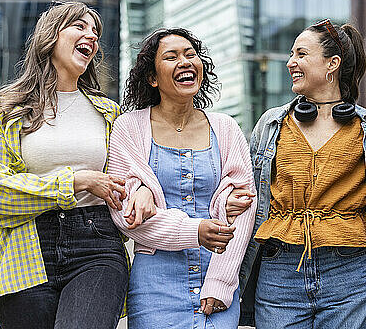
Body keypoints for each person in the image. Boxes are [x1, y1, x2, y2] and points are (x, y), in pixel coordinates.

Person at [0, 1, 130, 329]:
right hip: (23, 246)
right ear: (50, 37)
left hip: (96, 242)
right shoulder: (6, 109)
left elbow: (130, 175)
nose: (92, 36)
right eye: (80, 27)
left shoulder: (110, 113)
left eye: (96, 32)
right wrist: (75, 181)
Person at [227, 19, 366, 328]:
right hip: (279, 270)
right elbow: (247, 191)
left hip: (350, 270)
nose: (291, 62)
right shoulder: (270, 124)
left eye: (301, 54)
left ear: (332, 64)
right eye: (292, 54)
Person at [106, 27, 257, 329]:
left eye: (191, 55)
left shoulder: (226, 128)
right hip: (154, 287)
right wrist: (195, 231)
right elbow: (125, 213)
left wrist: (221, 280)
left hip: (216, 278)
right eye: (172, 57)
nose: (186, 61)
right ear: (152, 77)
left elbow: (246, 206)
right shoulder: (128, 127)